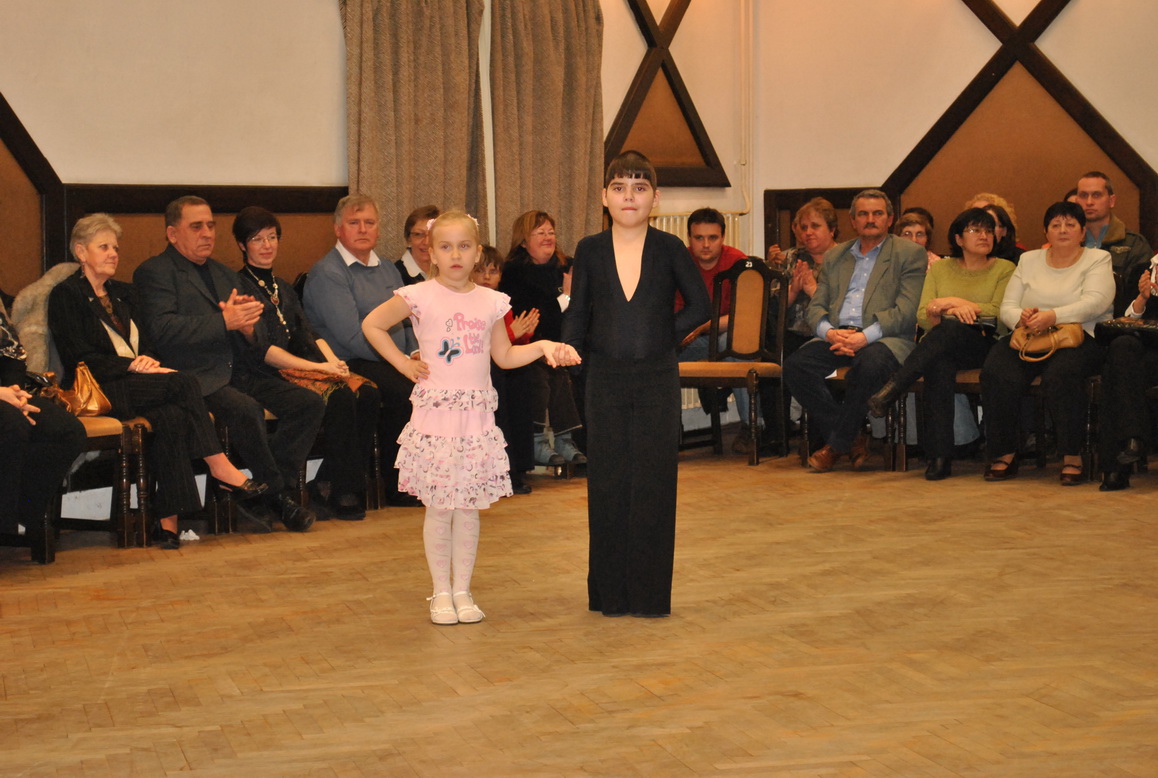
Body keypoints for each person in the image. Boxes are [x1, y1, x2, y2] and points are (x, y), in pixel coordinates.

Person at [361, 211, 580, 625]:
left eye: (464, 247)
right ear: (432, 253)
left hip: (476, 419)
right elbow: (372, 325)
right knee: (440, 508)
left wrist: (543, 345)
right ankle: (440, 591)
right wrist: (403, 364)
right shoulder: (419, 295)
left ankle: (462, 589)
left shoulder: (490, 302)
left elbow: (504, 355)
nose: (455, 255)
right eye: (445, 247)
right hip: (436, 418)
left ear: (478, 253)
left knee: (468, 508)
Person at [49, 214, 268, 548]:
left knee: (173, 415)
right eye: (104, 247)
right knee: (184, 383)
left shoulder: (124, 294)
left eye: (115, 247)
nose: (113, 253)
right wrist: (132, 366)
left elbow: (150, 344)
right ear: (81, 252)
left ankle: (167, 524)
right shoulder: (66, 295)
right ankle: (220, 466)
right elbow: (78, 356)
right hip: (99, 388)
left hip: (137, 382)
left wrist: (148, 361)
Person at [562, 150, 711, 618]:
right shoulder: (590, 249)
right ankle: (609, 594)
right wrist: (572, 358)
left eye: (640, 188)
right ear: (604, 197)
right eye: (620, 188)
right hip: (603, 379)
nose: (630, 196)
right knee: (606, 483)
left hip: (656, 379)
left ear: (655, 198)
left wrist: (661, 335)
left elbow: (701, 305)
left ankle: (648, 596)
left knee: (654, 482)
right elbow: (578, 311)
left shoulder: (669, 248)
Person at [134, 197, 322, 532]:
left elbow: (257, 336)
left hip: (240, 371)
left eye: (210, 225)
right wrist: (224, 321)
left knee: (308, 403)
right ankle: (278, 499)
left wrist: (248, 329)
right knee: (245, 409)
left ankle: (262, 491)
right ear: (173, 234)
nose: (207, 233)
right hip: (195, 378)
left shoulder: (223, 274)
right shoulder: (155, 272)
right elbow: (162, 330)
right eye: (196, 226)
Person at [232, 206, 381, 520]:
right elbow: (264, 350)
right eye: (257, 239)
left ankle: (328, 481)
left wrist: (334, 363)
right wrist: (318, 368)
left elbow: (308, 333)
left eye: (272, 237)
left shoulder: (283, 287)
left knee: (367, 392)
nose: (267, 245)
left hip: (300, 366)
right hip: (264, 372)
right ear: (243, 245)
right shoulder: (240, 287)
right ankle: (341, 492)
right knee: (338, 397)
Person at [783, 189, 927, 473]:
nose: (870, 219)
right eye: (863, 214)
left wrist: (864, 337)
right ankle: (852, 437)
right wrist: (829, 333)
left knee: (869, 364)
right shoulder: (836, 255)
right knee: (796, 366)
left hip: (885, 338)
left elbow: (906, 311)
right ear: (852, 220)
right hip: (838, 335)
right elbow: (816, 306)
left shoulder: (909, 254)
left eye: (877, 213)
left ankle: (836, 444)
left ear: (889, 219)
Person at [867, 208, 1015, 479]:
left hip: (984, 345)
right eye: (975, 230)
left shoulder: (1004, 268)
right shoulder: (941, 268)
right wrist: (952, 311)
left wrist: (954, 303)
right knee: (939, 361)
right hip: (940, 343)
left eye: (988, 230)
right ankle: (939, 457)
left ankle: (897, 385)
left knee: (949, 329)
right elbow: (924, 315)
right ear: (958, 239)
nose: (984, 235)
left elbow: (999, 313)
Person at [980, 201, 1114, 485]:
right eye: (1056, 225)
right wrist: (1022, 318)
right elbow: (1008, 306)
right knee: (996, 370)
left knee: (1061, 374)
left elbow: (1096, 302)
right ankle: (1005, 452)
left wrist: (1052, 316)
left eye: (1070, 225)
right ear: (1046, 231)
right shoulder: (1029, 260)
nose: (1063, 230)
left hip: (1080, 336)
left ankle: (1072, 456)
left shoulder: (1098, 258)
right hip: (1032, 335)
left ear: (1082, 232)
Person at [302, 194, 421, 507]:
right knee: (404, 391)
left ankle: (428, 475)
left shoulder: (388, 269)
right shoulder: (329, 272)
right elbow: (352, 336)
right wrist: (399, 361)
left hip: (390, 359)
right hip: (349, 360)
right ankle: (396, 485)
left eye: (369, 222)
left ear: (379, 229)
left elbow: (408, 320)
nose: (363, 229)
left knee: (432, 382)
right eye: (354, 223)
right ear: (338, 229)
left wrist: (414, 354)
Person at [499, 210, 586, 466]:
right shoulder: (514, 273)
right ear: (523, 241)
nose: (548, 237)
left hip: (571, 342)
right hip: (531, 346)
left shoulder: (567, 266)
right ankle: (541, 441)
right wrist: (566, 297)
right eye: (540, 233)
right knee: (550, 372)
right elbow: (534, 319)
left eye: (551, 232)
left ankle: (572, 440)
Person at [0, 305, 85, 552]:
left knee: (67, 431)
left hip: (7, 393)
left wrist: (16, 393)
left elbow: (13, 353)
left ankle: (22, 511)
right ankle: (5, 520)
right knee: (13, 424)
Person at [676, 207, 750, 452]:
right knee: (658, 354)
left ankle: (752, 426)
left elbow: (744, 315)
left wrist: (706, 327)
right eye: (699, 238)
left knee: (731, 345)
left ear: (723, 237)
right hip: (691, 339)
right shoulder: (680, 262)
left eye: (713, 238)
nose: (706, 245)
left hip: (726, 333)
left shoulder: (738, 262)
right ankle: (669, 427)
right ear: (689, 238)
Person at [473, 245, 536, 494]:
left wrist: (524, 334)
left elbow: (509, 344)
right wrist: (513, 333)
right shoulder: (472, 301)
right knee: (502, 392)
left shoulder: (501, 302)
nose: (487, 277)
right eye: (481, 271)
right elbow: (479, 344)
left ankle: (518, 466)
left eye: (493, 271)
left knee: (522, 382)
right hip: (480, 368)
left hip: (500, 365)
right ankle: (504, 472)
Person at [1096, 250, 1158, 491]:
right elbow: (1124, 320)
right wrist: (1142, 298)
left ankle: (1118, 463)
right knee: (1121, 348)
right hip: (1148, 349)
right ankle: (1131, 440)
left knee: (1118, 374)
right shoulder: (1143, 270)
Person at [1074, 171, 1153, 313]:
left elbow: (1141, 296)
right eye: (1083, 195)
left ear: (1111, 201)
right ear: (1076, 201)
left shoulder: (1134, 245)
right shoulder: (1067, 243)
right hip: (1072, 318)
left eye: (1096, 195)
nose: (1089, 202)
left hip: (1118, 320)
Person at [396, 205, 439, 285]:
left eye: (432, 235)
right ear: (408, 238)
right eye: (419, 234)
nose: (426, 242)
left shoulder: (448, 272)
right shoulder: (395, 275)